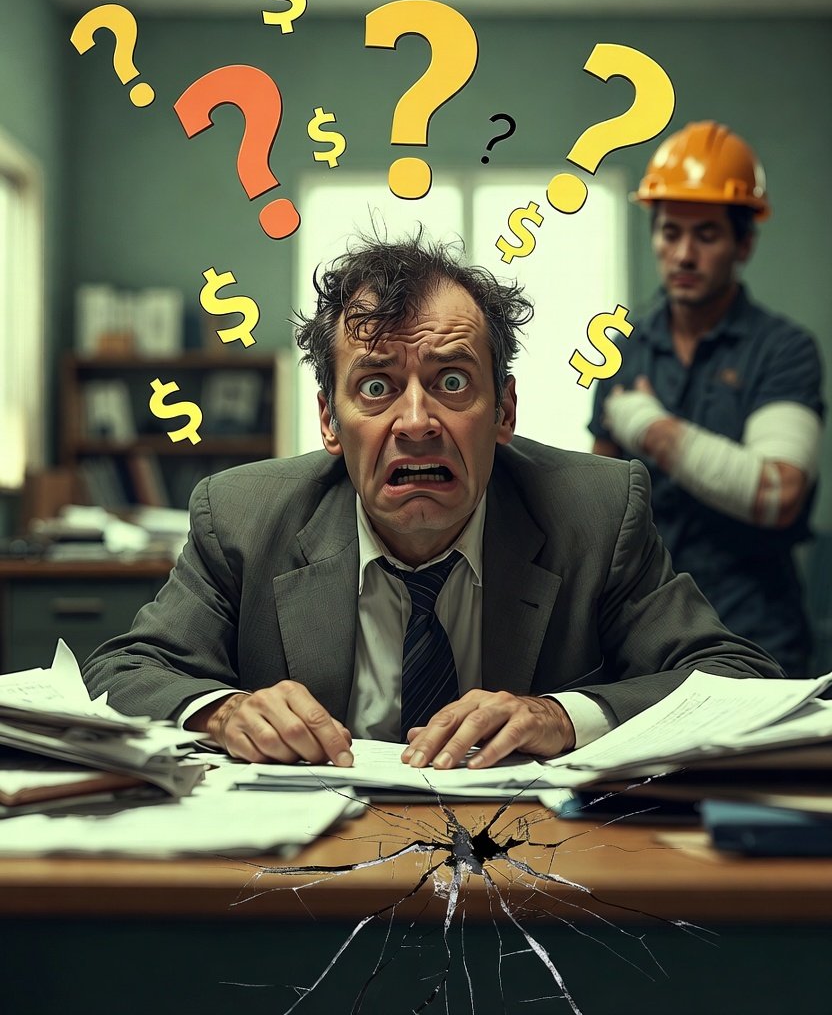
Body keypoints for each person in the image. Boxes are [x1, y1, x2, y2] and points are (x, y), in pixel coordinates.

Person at [83, 232, 783, 770]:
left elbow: (738, 680)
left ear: (503, 411)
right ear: (330, 420)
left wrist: (564, 718)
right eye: (377, 387)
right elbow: (118, 673)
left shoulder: (596, 512)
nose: (416, 422)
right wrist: (221, 711)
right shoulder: (238, 517)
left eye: (452, 383)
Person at [590, 121, 824, 677]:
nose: (684, 254)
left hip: (756, 632)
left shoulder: (784, 349)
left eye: (707, 235)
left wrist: (650, 427)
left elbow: (776, 492)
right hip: (645, 635)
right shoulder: (624, 351)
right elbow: (598, 504)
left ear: (743, 243)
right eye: (670, 233)